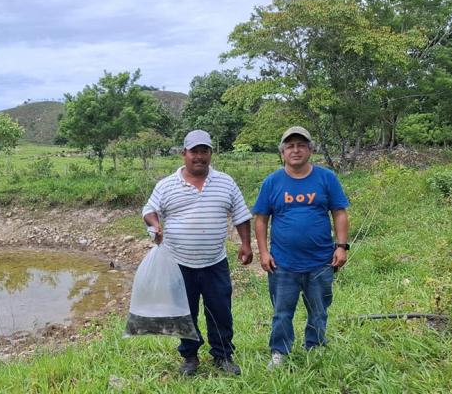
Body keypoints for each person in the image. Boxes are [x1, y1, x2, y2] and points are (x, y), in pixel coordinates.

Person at [142, 129, 253, 376]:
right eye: (194, 151)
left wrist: (246, 245)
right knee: (185, 312)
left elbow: (241, 215)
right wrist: (155, 224)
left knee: (220, 310)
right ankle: (190, 357)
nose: (199, 156)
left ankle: (223, 356)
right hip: (179, 263)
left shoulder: (225, 181)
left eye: (204, 151)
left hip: (215, 262)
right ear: (184, 153)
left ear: (211, 153)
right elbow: (149, 210)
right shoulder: (167, 184)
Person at [251, 126, 350, 368]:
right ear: (282, 152)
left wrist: (342, 246)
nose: (295, 150)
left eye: (301, 145)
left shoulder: (326, 178)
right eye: (290, 146)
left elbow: (339, 213)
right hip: (283, 263)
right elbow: (261, 219)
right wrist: (263, 252)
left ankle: (314, 346)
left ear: (310, 150)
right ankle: (279, 352)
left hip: (321, 260)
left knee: (319, 309)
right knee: (282, 312)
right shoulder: (272, 182)